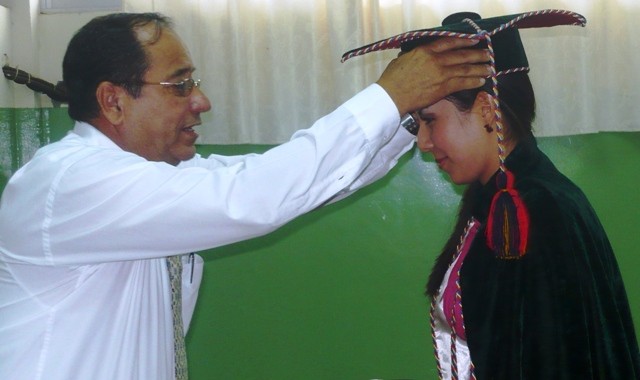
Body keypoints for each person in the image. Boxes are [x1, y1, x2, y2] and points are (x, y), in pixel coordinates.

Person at [0, 12, 491, 380]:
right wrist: (390, 95)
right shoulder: (69, 184)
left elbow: (307, 190)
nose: (201, 101)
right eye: (180, 85)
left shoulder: (150, 180)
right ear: (113, 101)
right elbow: (258, 196)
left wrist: (407, 121)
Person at [343, 9, 640, 379]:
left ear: (486, 110)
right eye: (417, 125)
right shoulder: (498, 202)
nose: (422, 142)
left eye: (430, 120)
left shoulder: (540, 211)